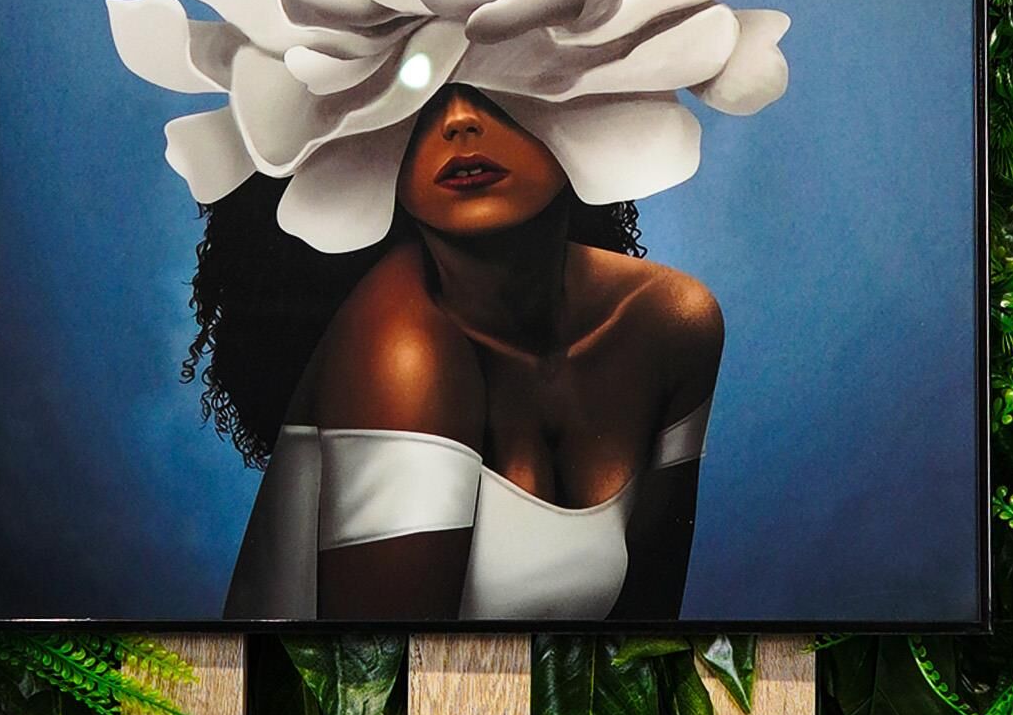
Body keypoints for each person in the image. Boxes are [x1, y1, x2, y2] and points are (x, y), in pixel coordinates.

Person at [199, 83, 723, 622]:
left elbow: (644, 643)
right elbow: (389, 669)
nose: (459, 121)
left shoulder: (671, 321)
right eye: (418, 94)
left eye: (498, 83)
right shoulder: (402, 348)